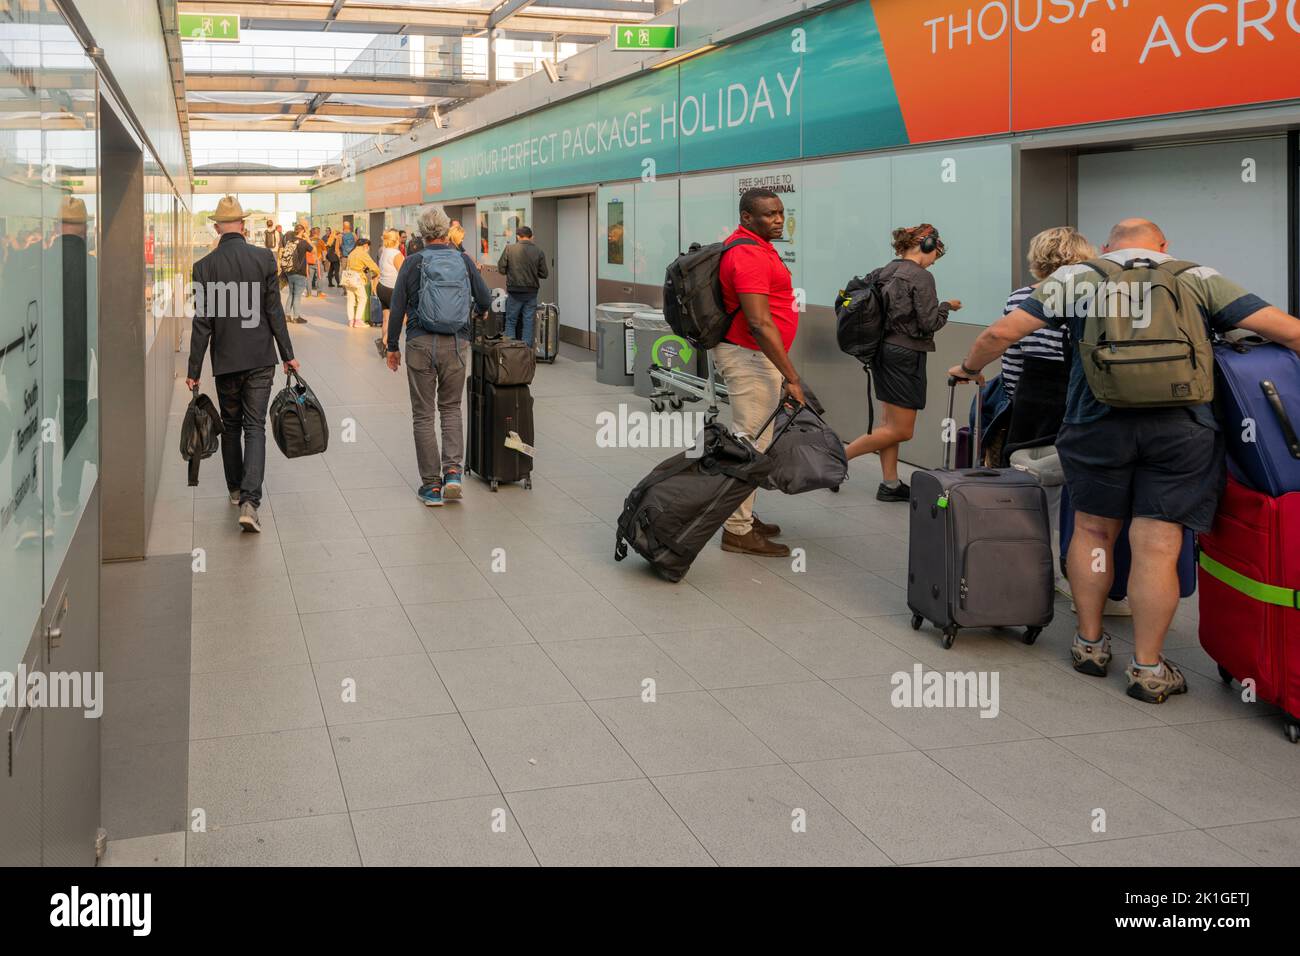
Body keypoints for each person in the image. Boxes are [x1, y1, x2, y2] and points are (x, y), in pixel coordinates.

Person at [949, 217, 1300, 703]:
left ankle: (1089, 644)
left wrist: (967, 368)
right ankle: (1148, 667)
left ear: (1109, 245)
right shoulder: (1198, 276)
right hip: (1181, 430)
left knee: (1093, 531)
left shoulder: (1078, 278)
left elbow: (1000, 334)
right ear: (1163, 245)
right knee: (1158, 541)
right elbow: (1290, 332)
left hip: (1095, 425)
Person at [185, 195, 298, 533]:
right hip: (261, 358)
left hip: (227, 360)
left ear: (218, 227)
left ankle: (235, 490)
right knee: (255, 427)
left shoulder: (203, 267)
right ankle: (251, 501)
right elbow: (274, 312)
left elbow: (202, 322)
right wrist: (288, 353)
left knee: (231, 427)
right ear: (244, 226)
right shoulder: (263, 259)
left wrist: (193, 371)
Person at [713, 187, 806, 558]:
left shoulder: (755, 245)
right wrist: (792, 376)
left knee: (755, 439)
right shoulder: (749, 255)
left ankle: (743, 515)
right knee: (749, 442)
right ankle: (736, 529)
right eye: (769, 214)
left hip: (754, 356)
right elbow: (759, 322)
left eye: (781, 213)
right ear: (747, 218)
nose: (779, 219)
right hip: (749, 357)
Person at [843, 224, 962, 502]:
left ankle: (890, 484)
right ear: (927, 244)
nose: (935, 260)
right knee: (901, 430)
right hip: (905, 355)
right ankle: (835, 458)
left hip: (881, 351)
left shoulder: (884, 270)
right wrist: (946, 306)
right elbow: (929, 323)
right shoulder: (921, 277)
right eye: (937, 253)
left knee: (888, 424)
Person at [385, 206, 492, 507]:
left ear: (421, 233)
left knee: (423, 415)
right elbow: (484, 298)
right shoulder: (463, 260)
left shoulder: (412, 262)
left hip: (419, 343)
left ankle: (431, 487)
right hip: (456, 345)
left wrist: (392, 346)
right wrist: (477, 311)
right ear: (446, 232)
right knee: (451, 409)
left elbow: (397, 306)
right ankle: (454, 473)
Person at [497, 225, 548, 346]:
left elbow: (501, 269)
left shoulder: (509, 249)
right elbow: (544, 273)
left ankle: (511, 352)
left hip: (514, 292)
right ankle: (526, 354)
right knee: (528, 322)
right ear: (532, 237)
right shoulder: (539, 251)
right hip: (531, 293)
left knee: (510, 321)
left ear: (517, 237)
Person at [375, 229, 405, 358]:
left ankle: (384, 348)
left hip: (382, 287)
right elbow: (404, 274)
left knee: (386, 318)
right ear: (396, 239)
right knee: (403, 316)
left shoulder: (384, 251)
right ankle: (383, 341)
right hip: (393, 289)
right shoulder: (397, 254)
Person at [342, 236, 380, 329]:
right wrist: (378, 272)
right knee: (363, 298)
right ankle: (358, 320)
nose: (368, 248)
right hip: (357, 278)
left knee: (350, 299)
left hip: (348, 278)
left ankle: (351, 320)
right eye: (368, 246)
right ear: (365, 245)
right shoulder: (362, 253)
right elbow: (372, 265)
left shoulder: (352, 252)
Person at [282, 223, 311, 324]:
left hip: (289, 271)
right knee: (297, 295)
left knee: (291, 294)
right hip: (300, 272)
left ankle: (287, 315)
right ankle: (296, 317)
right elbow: (314, 250)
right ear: (302, 231)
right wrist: (307, 238)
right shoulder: (303, 242)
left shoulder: (289, 241)